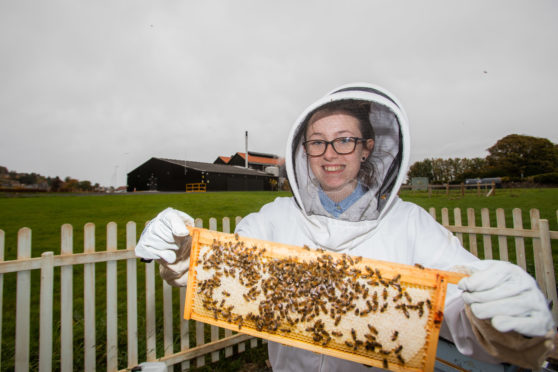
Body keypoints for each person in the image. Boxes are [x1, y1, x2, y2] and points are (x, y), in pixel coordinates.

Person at [135, 83, 555, 371]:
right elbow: (217, 276)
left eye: (345, 140)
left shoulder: (411, 225)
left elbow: (462, 307)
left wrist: (503, 322)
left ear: (368, 148)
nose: (329, 153)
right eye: (317, 141)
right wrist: (184, 251)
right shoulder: (274, 220)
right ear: (303, 150)